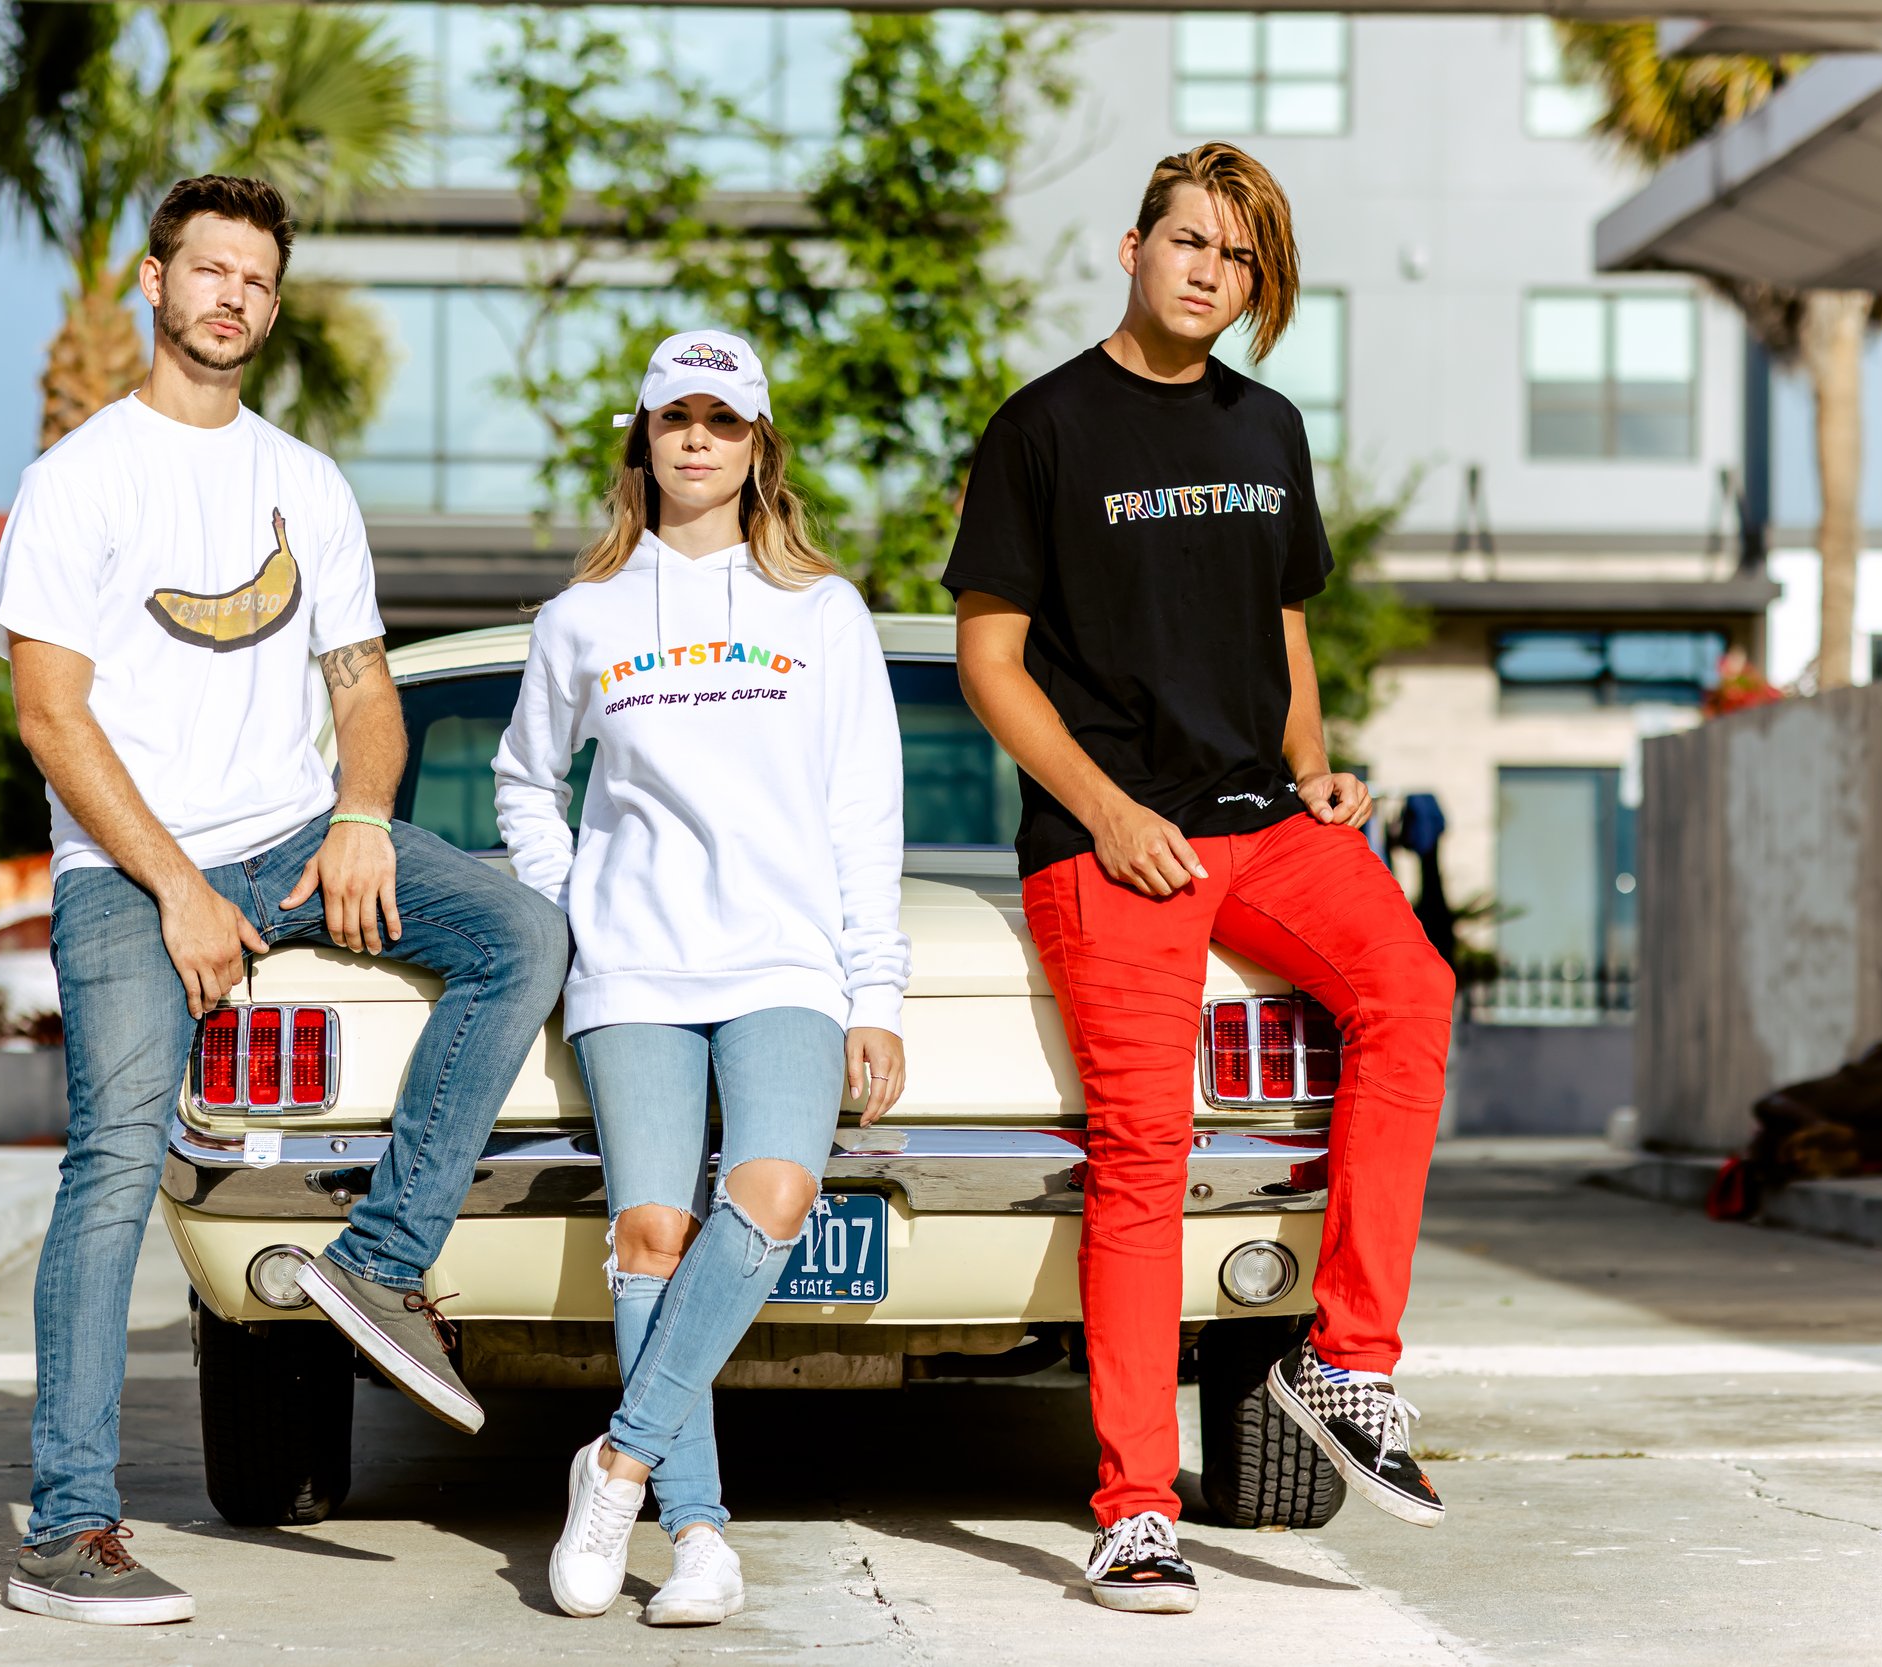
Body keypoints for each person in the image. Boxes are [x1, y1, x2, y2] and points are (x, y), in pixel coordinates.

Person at [0, 174, 567, 1626]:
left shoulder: (307, 482)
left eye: (255, 278)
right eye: (209, 270)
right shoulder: (79, 478)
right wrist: (176, 885)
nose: (231, 296)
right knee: (116, 1159)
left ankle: (380, 1262)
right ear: (155, 283)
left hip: (297, 834)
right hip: (129, 870)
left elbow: (362, 691)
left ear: (273, 305)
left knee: (520, 933)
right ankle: (70, 1525)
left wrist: (363, 814)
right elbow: (50, 714)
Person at [943, 143, 1455, 1615]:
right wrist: (1105, 812)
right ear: (1133, 248)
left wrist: (1317, 766)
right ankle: (1134, 1510)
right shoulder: (1043, 427)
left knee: (1414, 996)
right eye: (1188, 241)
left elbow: (1282, 627)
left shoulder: (1270, 425)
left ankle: (1347, 1363)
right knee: (1146, 1150)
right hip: (1116, 841)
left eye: (1237, 257)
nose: (1208, 271)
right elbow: (988, 660)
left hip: (1264, 820)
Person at [493, 330, 911, 1627]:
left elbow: (865, 810)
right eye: (675, 417)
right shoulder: (583, 616)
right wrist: (578, 905)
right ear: (644, 438)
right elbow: (524, 781)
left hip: (784, 959)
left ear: (755, 446)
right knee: (652, 1234)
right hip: (635, 970)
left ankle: (615, 1465)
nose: (696, 439)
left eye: (722, 421)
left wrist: (876, 992)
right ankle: (699, 1536)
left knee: (775, 1193)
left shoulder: (822, 611)